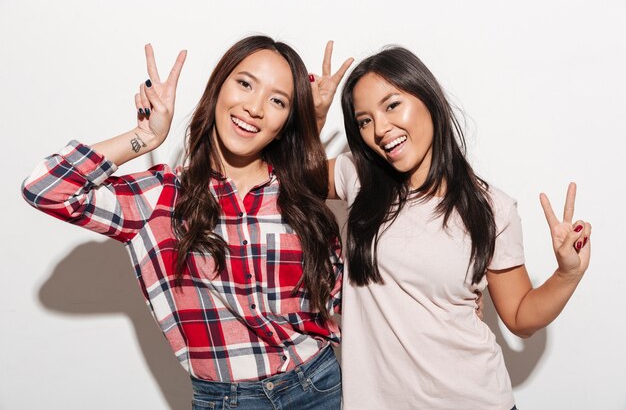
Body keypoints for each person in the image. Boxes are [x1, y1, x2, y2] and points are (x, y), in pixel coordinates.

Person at [22, 36, 353, 410]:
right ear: (218, 87)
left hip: (319, 384)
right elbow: (46, 188)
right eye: (245, 83)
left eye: (277, 101)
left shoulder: (297, 193)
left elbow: (344, 296)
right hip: (226, 401)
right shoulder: (160, 197)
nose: (255, 108)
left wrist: (313, 120)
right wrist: (143, 137)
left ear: (286, 120)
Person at [329, 46, 592, 410]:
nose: (380, 128)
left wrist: (567, 274)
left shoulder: (490, 208)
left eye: (392, 105)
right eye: (364, 120)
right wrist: (312, 115)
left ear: (428, 98)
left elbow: (519, 317)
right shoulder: (356, 176)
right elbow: (291, 174)